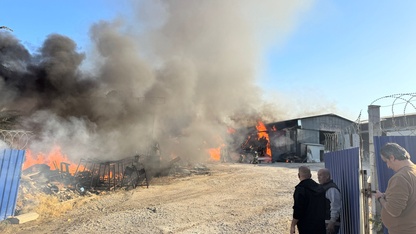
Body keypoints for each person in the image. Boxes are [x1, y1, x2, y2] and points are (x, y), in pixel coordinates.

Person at [374, 142, 416, 234]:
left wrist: (380, 198)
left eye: (386, 161)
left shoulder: (400, 178)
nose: (388, 166)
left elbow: (394, 210)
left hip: (403, 231)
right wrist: (386, 195)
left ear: (392, 157)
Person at [290, 166, 326, 234]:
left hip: (306, 227)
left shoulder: (300, 189)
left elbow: (298, 210)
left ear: (298, 175)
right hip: (320, 226)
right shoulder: (320, 188)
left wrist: (293, 225)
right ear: (310, 175)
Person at [318, 168, 342, 234]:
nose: (318, 177)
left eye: (320, 175)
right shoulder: (322, 188)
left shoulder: (332, 189)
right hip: (324, 222)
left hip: (329, 223)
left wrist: (332, 221)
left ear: (327, 176)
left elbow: (335, 206)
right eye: (318, 175)